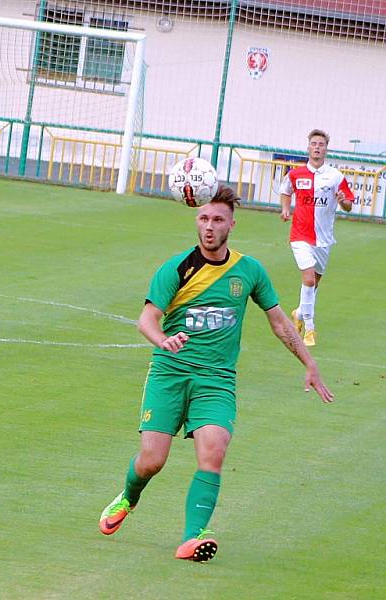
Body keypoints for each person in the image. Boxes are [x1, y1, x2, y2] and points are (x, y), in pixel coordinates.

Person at [98, 185, 334, 562]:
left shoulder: (249, 270)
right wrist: (162, 340)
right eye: (204, 218)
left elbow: (278, 322)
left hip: (216, 381)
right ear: (197, 219)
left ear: (231, 225)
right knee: (152, 460)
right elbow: (147, 318)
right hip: (170, 374)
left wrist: (309, 362)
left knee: (213, 452)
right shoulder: (176, 267)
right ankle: (129, 496)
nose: (209, 226)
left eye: (218, 220)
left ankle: (194, 536)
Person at [279, 129, 354, 346]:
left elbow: (348, 206)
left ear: (326, 148)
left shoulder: (335, 176)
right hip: (300, 236)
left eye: (321, 144)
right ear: (308, 147)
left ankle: (299, 313)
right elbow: (285, 191)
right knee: (309, 280)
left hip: (324, 239)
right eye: (314, 143)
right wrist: (285, 209)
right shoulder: (296, 174)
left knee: (314, 283)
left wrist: (342, 200)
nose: (317, 147)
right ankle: (309, 329)